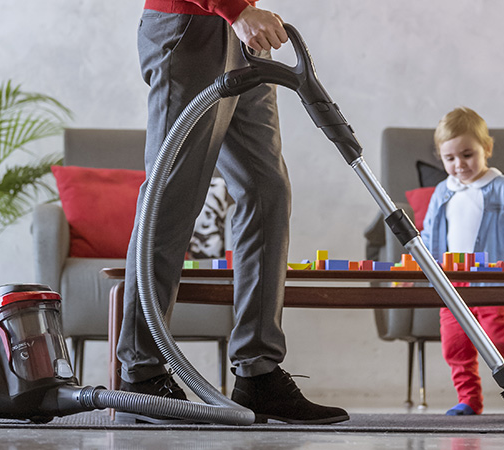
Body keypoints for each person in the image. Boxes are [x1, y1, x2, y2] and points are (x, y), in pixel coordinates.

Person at [116, 0, 349, 425]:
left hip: (241, 35)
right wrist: (237, 9)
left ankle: (257, 371)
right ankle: (141, 374)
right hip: (191, 28)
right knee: (171, 201)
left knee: (267, 190)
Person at [421, 107, 504, 415]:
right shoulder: (441, 193)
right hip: (452, 283)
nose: (459, 165)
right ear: (441, 159)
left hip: (495, 280)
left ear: (487, 148)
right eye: (450, 159)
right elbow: (429, 235)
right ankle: (468, 400)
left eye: (467, 154)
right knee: (455, 345)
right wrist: (427, 269)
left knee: (501, 339)